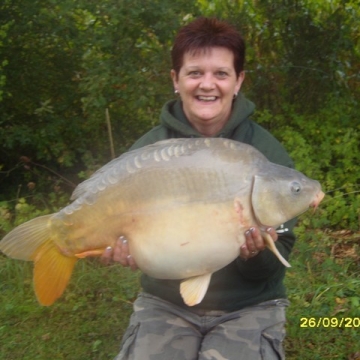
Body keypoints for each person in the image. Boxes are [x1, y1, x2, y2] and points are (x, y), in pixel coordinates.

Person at [102, 17, 297, 360]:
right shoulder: (148, 153)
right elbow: (124, 236)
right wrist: (116, 246)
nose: (208, 84)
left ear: (239, 81)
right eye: (195, 73)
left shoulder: (266, 154)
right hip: (166, 302)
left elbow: (273, 267)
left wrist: (257, 253)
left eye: (221, 73)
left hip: (248, 305)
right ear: (175, 80)